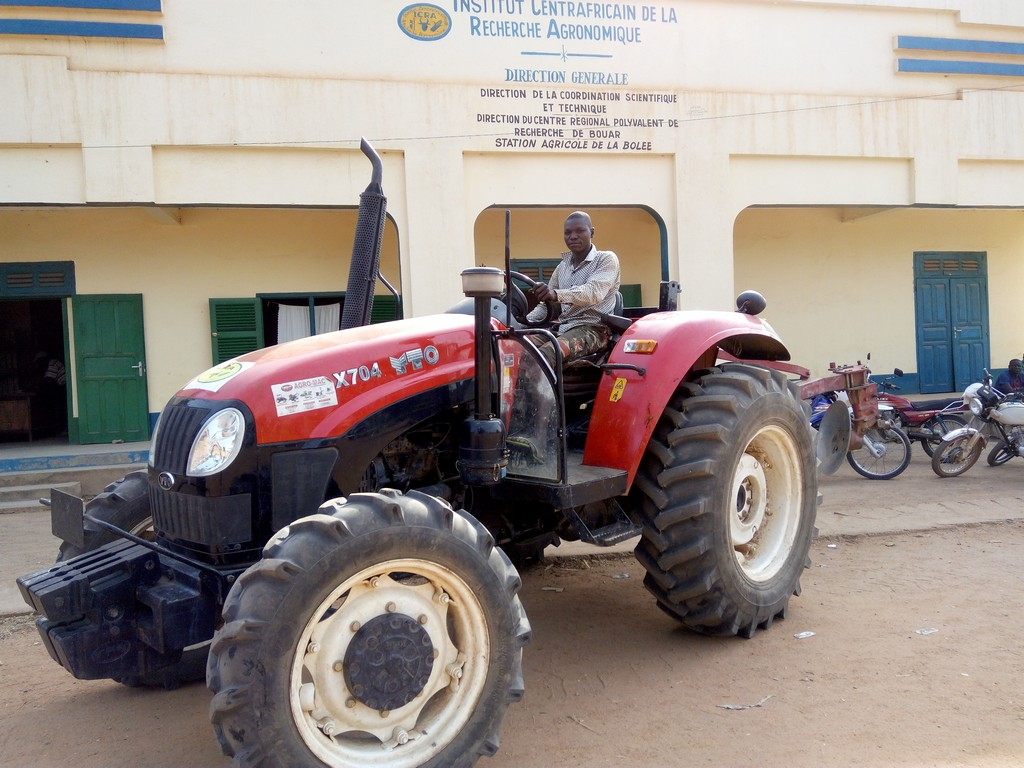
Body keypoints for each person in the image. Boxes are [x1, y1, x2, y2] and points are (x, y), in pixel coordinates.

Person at [525, 210, 621, 368]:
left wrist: (555, 294)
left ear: (592, 232)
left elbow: (592, 293)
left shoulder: (606, 259)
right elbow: (548, 305)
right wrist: (522, 322)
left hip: (594, 330)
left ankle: (536, 393)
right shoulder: (562, 267)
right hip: (563, 328)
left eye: (580, 231)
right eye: (568, 232)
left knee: (546, 354)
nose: (573, 236)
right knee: (516, 344)